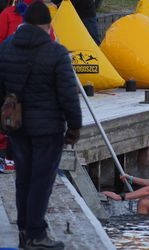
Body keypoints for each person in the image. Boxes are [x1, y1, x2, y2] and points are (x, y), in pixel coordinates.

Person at [0, 1, 82, 249]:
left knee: (23, 178)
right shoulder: (56, 52)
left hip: (17, 127)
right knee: (42, 181)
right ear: (47, 25)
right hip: (48, 130)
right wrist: (74, 127)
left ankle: (25, 230)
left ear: (25, 23)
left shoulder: (5, 48)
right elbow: (68, 94)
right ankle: (37, 233)